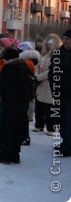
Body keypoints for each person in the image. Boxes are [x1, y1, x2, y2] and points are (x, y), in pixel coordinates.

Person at [0, 48, 34, 164]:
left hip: (10, 103)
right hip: (22, 103)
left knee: (7, 129)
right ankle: (15, 155)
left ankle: (4, 154)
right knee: (16, 129)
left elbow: (1, 86)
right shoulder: (24, 67)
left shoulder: (10, 69)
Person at [34, 34, 62, 135]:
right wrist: (36, 75)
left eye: (52, 43)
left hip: (50, 84)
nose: (50, 45)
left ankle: (51, 128)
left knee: (50, 108)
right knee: (39, 106)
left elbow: (52, 70)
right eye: (48, 43)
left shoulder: (58, 55)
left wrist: (38, 77)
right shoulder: (44, 55)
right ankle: (39, 125)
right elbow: (37, 66)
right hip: (41, 84)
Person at [49, 29, 71, 158]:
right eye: (65, 38)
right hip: (59, 92)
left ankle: (67, 146)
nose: (66, 41)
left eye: (68, 39)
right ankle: (65, 142)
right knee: (59, 119)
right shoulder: (58, 53)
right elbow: (52, 72)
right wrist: (54, 87)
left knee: (68, 120)